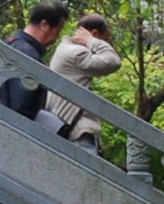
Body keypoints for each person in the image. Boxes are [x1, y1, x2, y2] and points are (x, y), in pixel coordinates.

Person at [51, 14, 124, 146]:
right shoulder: (77, 53)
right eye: (105, 39)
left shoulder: (65, 48)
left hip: (66, 125)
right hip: (77, 130)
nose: (106, 43)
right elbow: (113, 62)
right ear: (95, 33)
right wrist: (91, 41)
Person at [0, 0, 70, 131]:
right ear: (45, 25)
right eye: (58, 31)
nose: (56, 38)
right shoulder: (26, 54)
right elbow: (22, 105)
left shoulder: (11, 44)